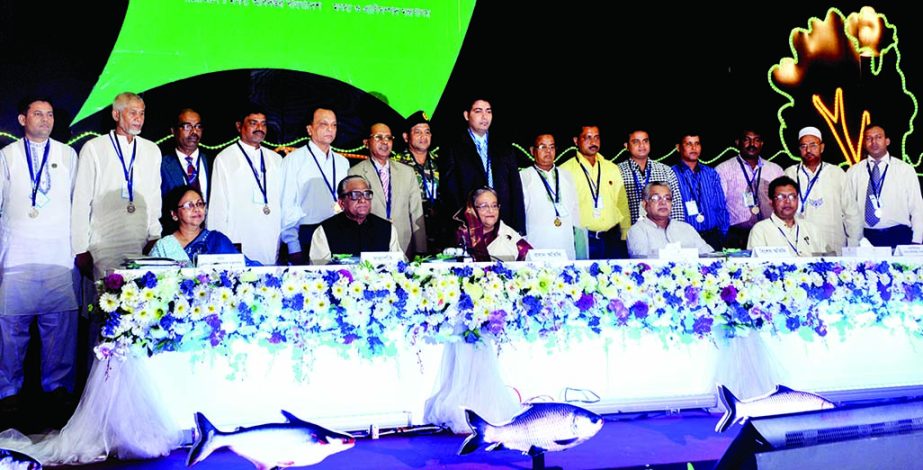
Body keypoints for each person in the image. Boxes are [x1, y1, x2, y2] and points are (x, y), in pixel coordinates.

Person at [0, 97, 79, 421]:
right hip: (17, 254)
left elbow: (78, 202)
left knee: (59, 331)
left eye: (49, 114)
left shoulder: (68, 153)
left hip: (58, 255)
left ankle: (57, 394)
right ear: (22, 119)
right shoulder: (7, 156)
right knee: (10, 332)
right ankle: (7, 395)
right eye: (37, 114)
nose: (45, 120)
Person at [72, 92, 162, 280]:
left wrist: (155, 236)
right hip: (103, 246)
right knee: (107, 304)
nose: (139, 119)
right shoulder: (94, 147)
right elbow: (81, 201)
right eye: (133, 113)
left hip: (142, 244)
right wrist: (80, 248)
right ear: (116, 115)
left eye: (142, 113)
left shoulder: (152, 150)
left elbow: (154, 197)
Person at [438, 98, 526, 238]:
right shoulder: (453, 147)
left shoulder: (504, 146)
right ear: (467, 115)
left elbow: (515, 189)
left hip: (503, 223)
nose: (484, 117)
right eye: (478, 111)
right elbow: (450, 190)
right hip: (470, 225)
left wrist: (519, 228)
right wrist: (461, 222)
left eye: (488, 111)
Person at [207, 106, 283, 265]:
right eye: (253, 123)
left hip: (271, 237)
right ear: (239, 126)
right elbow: (217, 209)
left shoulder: (276, 160)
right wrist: (221, 248)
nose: (259, 128)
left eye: (263, 124)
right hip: (238, 239)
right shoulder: (225, 159)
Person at [279, 107, 349, 264]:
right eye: (324, 124)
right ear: (309, 129)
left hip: (339, 231)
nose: (330, 129)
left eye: (334, 125)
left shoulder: (342, 162)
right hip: (307, 233)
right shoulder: (294, 160)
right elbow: (287, 203)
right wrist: (292, 244)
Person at [348, 123, 426, 258]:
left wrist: (421, 249)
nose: (385, 142)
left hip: (404, 245)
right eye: (378, 137)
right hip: (370, 245)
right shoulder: (355, 173)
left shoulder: (407, 172)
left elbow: (416, 211)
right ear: (366, 143)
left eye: (388, 138)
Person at [783, 126, 862, 253]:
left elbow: (851, 212)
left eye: (813, 145)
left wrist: (853, 245)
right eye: (803, 146)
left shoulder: (837, 173)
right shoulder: (790, 173)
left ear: (822, 147)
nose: (808, 150)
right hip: (800, 245)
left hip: (832, 244)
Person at [559, 125, 630, 259]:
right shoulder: (565, 171)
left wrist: (625, 233)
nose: (593, 142)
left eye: (596, 137)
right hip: (583, 240)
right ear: (576, 140)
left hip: (612, 238)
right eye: (588, 137)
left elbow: (622, 203)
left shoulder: (612, 168)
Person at [845, 124, 923, 247]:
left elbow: (917, 206)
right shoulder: (853, 172)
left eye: (878, 137)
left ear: (887, 141)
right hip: (865, 238)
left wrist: (917, 240)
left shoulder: (905, 169)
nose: (873, 142)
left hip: (899, 234)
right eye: (868, 138)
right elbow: (848, 209)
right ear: (864, 143)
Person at [149, 185, 256, 266]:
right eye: (189, 205)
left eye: (200, 204)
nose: (196, 209)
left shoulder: (217, 240)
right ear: (174, 214)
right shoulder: (164, 246)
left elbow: (244, 267)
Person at [715, 128, 785, 248]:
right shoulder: (723, 169)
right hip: (737, 236)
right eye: (747, 140)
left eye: (756, 140)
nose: (752, 144)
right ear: (738, 142)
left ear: (761, 143)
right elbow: (718, 206)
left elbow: (782, 203)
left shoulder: (775, 170)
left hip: (769, 233)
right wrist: (725, 236)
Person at [309, 175, 402, 264]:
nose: (363, 200)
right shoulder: (324, 231)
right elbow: (319, 271)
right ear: (341, 203)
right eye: (355, 194)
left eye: (367, 194)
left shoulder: (386, 228)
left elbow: (398, 264)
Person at [520, 133, 580, 259]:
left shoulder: (567, 176)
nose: (548, 151)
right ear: (532, 151)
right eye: (543, 147)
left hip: (565, 243)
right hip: (536, 243)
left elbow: (575, 210)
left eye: (552, 147)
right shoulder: (523, 177)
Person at [671, 132, 729, 250]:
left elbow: (720, 206)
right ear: (678, 147)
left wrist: (722, 233)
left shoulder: (711, 173)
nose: (694, 148)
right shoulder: (670, 174)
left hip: (712, 237)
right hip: (684, 239)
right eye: (689, 144)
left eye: (697, 144)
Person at [627, 182, 713, 258]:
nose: (663, 203)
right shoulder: (637, 230)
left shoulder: (686, 228)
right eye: (656, 198)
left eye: (667, 198)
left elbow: (709, 254)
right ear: (645, 204)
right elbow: (642, 264)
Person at [160, 108, 211, 235]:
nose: (194, 132)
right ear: (173, 131)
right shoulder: (162, 164)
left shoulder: (212, 162)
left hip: (208, 235)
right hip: (175, 236)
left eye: (198, 126)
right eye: (187, 126)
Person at [397, 110, 443, 254]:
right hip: (411, 227)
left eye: (427, 132)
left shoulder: (440, 162)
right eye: (418, 132)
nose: (424, 137)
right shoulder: (397, 164)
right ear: (406, 137)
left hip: (439, 229)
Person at [618, 129, 685, 225]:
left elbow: (676, 205)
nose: (642, 145)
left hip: (662, 233)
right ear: (626, 146)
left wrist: (674, 232)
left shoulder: (666, 171)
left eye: (645, 141)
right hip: (630, 233)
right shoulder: (617, 172)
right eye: (636, 142)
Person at [747, 176, 825, 256]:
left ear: (797, 200)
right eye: (780, 197)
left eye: (792, 196)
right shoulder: (760, 230)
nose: (787, 201)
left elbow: (825, 260)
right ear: (771, 202)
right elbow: (755, 266)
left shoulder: (812, 229)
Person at [455, 187, 532, 262]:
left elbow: (531, 261)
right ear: (472, 210)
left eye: (494, 206)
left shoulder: (510, 236)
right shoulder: (460, 235)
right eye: (484, 206)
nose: (491, 210)